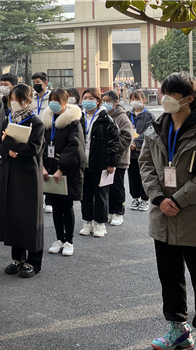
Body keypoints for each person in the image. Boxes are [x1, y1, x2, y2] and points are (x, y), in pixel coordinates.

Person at [139, 72, 196, 350]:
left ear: (188, 98)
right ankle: (178, 328)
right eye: (165, 92)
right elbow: (145, 164)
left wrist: (177, 199)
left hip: (195, 216)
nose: (165, 99)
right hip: (163, 216)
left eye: (171, 94)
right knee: (170, 277)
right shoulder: (155, 129)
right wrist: (159, 198)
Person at [0, 84, 45, 278]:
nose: (14, 103)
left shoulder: (36, 122)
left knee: (29, 216)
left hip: (28, 174)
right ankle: (17, 257)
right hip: (9, 171)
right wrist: (9, 149)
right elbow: (0, 145)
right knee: (13, 214)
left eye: (18, 99)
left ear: (27, 100)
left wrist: (11, 145)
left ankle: (34, 261)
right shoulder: (7, 119)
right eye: (12, 99)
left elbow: (32, 149)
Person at [40, 88, 85, 257]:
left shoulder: (73, 121)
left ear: (66, 101)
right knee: (56, 206)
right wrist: (42, 166)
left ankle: (69, 241)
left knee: (67, 206)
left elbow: (75, 147)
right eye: (51, 100)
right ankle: (59, 238)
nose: (54, 103)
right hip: (49, 169)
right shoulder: (46, 119)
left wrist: (61, 168)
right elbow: (41, 145)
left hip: (67, 171)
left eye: (57, 100)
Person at [78, 88, 120, 238]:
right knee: (85, 194)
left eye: (91, 98)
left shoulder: (106, 119)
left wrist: (111, 163)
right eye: (85, 97)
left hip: (100, 162)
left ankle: (100, 223)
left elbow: (114, 142)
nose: (87, 100)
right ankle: (87, 221)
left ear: (97, 101)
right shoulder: (79, 117)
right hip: (83, 163)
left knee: (101, 194)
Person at [102, 91, 133, 226]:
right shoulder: (103, 116)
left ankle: (119, 212)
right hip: (105, 158)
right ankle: (110, 211)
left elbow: (127, 138)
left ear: (115, 102)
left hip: (119, 160)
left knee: (117, 187)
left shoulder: (122, 118)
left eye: (108, 101)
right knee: (106, 186)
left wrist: (110, 146)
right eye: (104, 100)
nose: (105, 103)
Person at [127, 90, 156, 212]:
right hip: (130, 153)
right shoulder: (128, 115)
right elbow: (122, 129)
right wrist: (129, 142)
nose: (135, 101)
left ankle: (144, 199)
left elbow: (150, 131)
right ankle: (135, 198)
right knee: (132, 176)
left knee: (144, 175)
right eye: (132, 99)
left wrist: (136, 142)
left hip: (143, 151)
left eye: (137, 99)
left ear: (143, 99)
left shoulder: (149, 116)